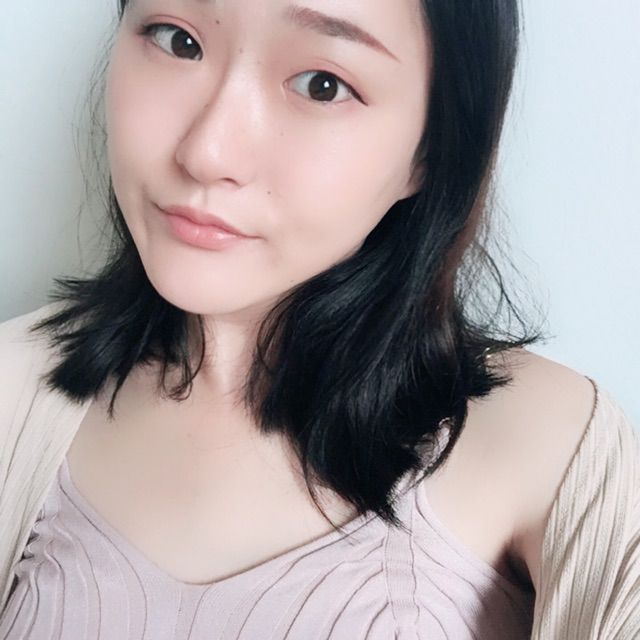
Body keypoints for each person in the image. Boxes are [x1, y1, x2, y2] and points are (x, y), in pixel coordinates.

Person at [0, 0, 638, 638]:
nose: (206, 152)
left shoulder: (551, 450)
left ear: (431, 149)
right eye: (178, 40)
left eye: (322, 85)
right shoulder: (16, 390)